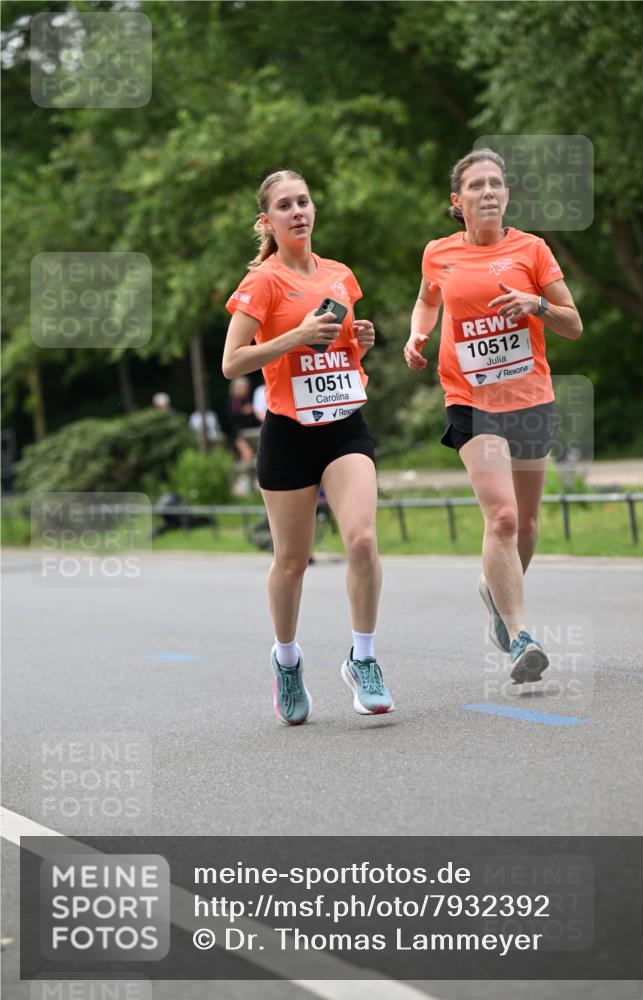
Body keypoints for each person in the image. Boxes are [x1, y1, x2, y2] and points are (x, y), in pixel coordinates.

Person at [404, 148, 582, 684]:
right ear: (458, 201)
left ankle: (493, 591)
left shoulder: (532, 250)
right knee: (502, 517)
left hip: (529, 400)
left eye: (496, 184)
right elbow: (427, 300)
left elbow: (573, 324)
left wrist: (537, 306)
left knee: (526, 524)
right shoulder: (438, 253)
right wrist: (418, 334)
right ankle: (521, 636)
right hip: (469, 400)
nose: (488, 192)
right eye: (476, 185)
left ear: (506, 195)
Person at [223, 168, 394, 724]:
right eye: (285, 205)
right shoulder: (263, 282)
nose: (298, 211)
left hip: (344, 423)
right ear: (268, 220)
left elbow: (339, 353)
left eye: (304, 201)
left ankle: (362, 659)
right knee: (292, 561)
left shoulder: (341, 275)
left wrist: (359, 342)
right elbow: (232, 363)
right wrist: (293, 337)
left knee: (363, 540)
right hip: (289, 433)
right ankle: (288, 661)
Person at [229, 376, 261, 463]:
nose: (245, 389)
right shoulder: (234, 401)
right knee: (247, 454)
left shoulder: (250, 399)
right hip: (239, 434)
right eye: (242, 387)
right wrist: (243, 411)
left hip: (253, 431)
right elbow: (233, 416)